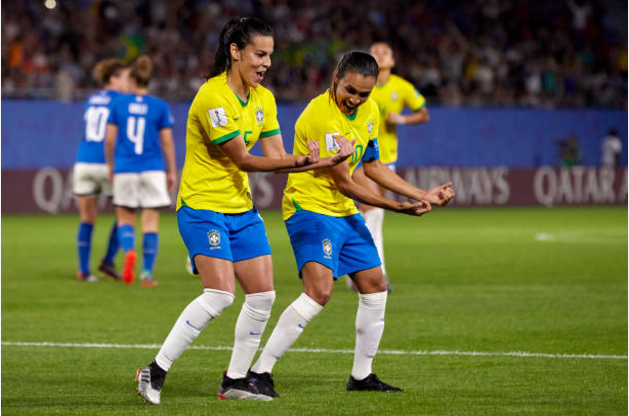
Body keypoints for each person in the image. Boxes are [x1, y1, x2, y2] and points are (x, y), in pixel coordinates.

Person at [134, 17, 354, 405]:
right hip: (202, 206)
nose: (267, 63)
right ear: (235, 52)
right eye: (259, 54)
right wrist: (302, 161)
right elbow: (244, 160)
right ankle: (155, 369)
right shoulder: (212, 97)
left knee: (263, 296)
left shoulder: (263, 99)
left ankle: (234, 380)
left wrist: (321, 161)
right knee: (220, 295)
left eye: (270, 55)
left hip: (241, 210)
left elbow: (278, 156)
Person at [248, 51, 454, 397]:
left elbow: (372, 166)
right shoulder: (321, 116)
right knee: (319, 292)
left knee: (375, 285)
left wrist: (423, 194)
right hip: (310, 208)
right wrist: (398, 207)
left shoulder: (370, 111)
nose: (356, 99)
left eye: (364, 93)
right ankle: (259, 372)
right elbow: (345, 182)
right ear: (336, 77)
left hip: (342, 211)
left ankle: (361, 376)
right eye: (350, 90)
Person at [350, 41, 430, 291]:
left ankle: (353, 268)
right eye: (375, 51)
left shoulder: (401, 87)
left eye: (385, 52)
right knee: (374, 212)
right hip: (358, 158)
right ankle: (377, 275)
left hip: (385, 160)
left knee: (364, 214)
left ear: (393, 61)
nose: (381, 55)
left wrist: (402, 119)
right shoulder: (361, 85)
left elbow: (424, 113)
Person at [105, 55, 177, 288]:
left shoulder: (118, 104)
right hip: (152, 168)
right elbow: (167, 143)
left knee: (125, 219)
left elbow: (109, 140)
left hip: (125, 168)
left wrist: (110, 166)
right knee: (150, 223)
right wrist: (171, 170)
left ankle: (128, 251)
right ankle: (146, 274)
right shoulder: (160, 106)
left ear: (133, 79)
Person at [73, 58, 129, 282]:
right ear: (113, 79)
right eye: (124, 77)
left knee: (87, 218)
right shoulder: (121, 101)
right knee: (125, 213)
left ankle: (83, 271)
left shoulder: (92, 98)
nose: (128, 82)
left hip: (84, 162)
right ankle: (108, 261)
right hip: (107, 163)